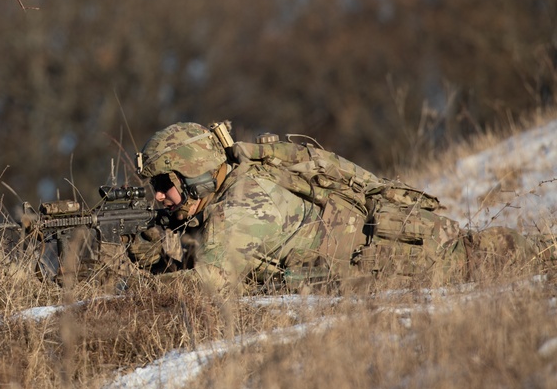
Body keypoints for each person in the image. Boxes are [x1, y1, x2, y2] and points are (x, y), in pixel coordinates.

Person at [127, 121, 547, 293]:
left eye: (166, 184)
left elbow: (204, 288)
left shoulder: (242, 205)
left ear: (196, 173)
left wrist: (135, 281)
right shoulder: (232, 186)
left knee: (518, 259)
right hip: (392, 259)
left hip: (418, 264)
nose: (160, 196)